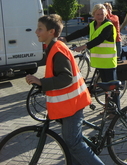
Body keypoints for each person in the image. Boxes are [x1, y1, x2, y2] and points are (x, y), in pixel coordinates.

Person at [25, 14, 105, 165]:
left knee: (73, 143)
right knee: (72, 143)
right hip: (70, 103)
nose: (36, 32)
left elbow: (66, 78)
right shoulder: (52, 48)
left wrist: (42, 82)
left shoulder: (57, 50)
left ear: (51, 32)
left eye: (40, 29)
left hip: (73, 104)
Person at [59, 4, 119, 118]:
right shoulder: (92, 24)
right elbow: (80, 32)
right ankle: (108, 109)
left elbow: (99, 39)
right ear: (93, 15)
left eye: (102, 14)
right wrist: (66, 38)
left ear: (106, 14)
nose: (100, 16)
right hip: (100, 62)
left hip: (109, 63)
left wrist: (83, 46)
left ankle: (115, 112)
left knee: (112, 88)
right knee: (106, 89)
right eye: (98, 14)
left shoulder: (109, 26)